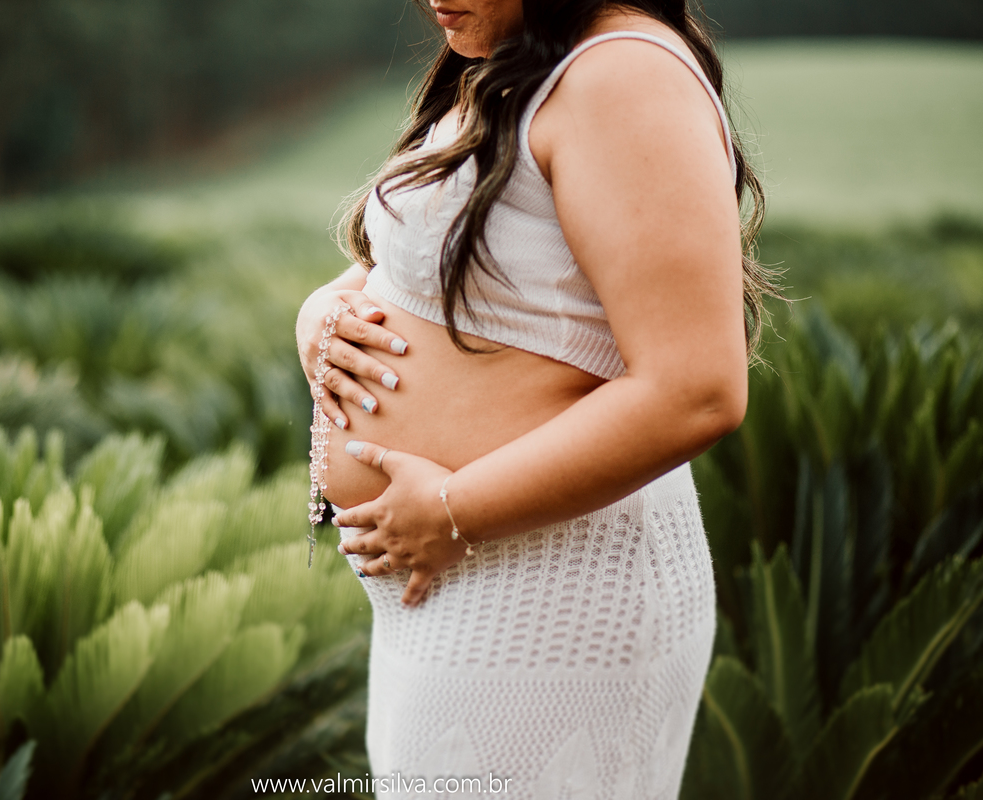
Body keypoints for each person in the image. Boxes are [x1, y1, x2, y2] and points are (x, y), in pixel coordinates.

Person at [295, 0, 784, 796]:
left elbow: (697, 390)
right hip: (462, 590)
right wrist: (321, 313)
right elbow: (434, 263)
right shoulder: (519, 60)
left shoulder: (622, 76)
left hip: (550, 599)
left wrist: (452, 510)